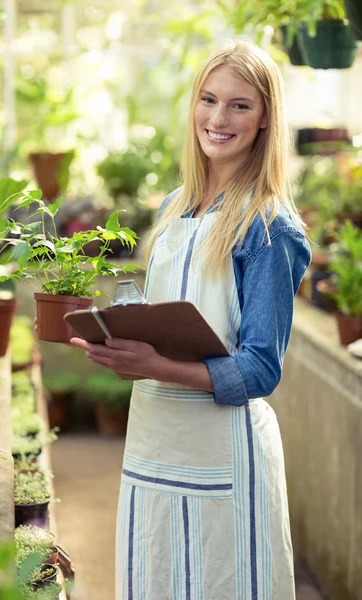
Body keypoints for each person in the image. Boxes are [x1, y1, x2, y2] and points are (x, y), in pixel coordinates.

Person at [70, 40, 311, 600]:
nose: (218, 118)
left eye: (239, 105)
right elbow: (168, 315)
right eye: (208, 100)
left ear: (265, 118)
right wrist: (119, 340)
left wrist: (156, 363)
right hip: (154, 446)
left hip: (225, 457)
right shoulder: (174, 208)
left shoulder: (270, 226)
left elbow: (258, 371)